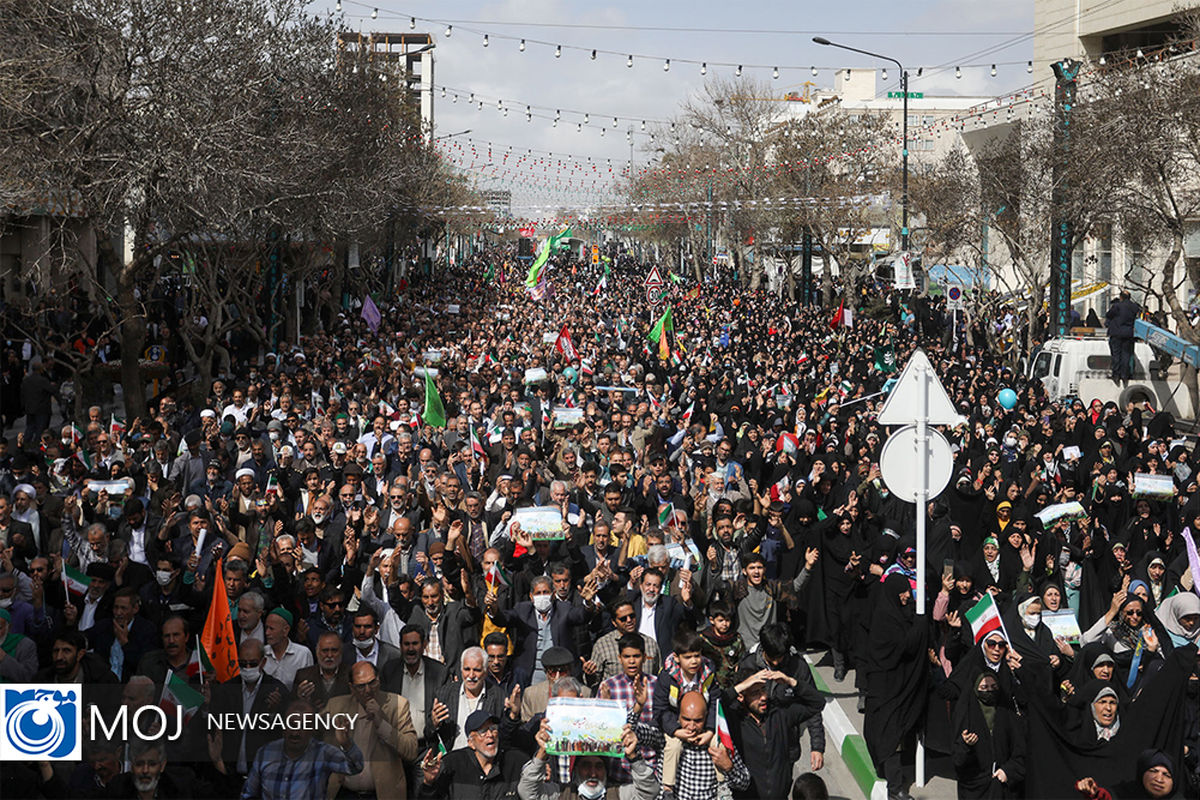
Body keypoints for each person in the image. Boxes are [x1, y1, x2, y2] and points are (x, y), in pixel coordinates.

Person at [863, 572, 930, 800]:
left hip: (897, 686)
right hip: (884, 689)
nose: (906, 596)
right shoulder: (885, 619)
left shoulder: (901, 614)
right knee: (889, 735)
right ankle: (895, 789)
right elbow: (905, 646)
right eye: (902, 591)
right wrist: (920, 625)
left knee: (894, 733)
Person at [324, 661, 420, 799]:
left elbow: (411, 751)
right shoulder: (337, 706)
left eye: (372, 683)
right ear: (351, 688)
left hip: (382, 794)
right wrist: (341, 743)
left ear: (379, 680)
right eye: (361, 686)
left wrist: (382, 724)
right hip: (345, 793)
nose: (368, 690)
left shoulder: (397, 705)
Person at [239, 698, 364, 800]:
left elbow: (355, 767)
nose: (295, 732)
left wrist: (346, 744)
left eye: (303, 726)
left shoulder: (323, 753)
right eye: (292, 725)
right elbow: (248, 794)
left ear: (312, 730)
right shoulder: (265, 752)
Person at [517, 716, 656, 800]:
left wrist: (633, 756)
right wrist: (542, 752)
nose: (593, 773)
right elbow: (527, 792)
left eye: (599, 766)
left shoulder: (619, 794)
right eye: (586, 766)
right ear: (575, 769)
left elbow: (649, 791)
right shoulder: (561, 794)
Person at [419, 710, 527, 799]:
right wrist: (429, 783)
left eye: (493, 729)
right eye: (483, 731)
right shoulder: (452, 764)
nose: (490, 735)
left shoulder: (516, 761)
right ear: (471, 742)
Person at [1104, 290, 1138, 382]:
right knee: (1126, 355)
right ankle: (1124, 375)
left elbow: (1108, 315)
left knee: (1116, 355)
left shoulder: (1117, 306)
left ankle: (1116, 375)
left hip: (1116, 333)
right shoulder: (1134, 307)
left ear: (1121, 297)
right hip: (1128, 334)